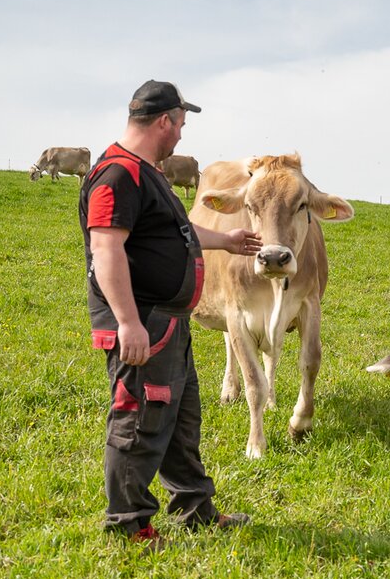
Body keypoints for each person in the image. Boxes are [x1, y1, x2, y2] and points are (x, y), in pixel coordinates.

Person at [79, 79, 261, 550]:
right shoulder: (117, 175)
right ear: (163, 121)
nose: (181, 134)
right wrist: (127, 322)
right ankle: (128, 524)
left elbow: (174, 232)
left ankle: (195, 508)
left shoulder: (148, 172)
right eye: (179, 124)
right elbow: (106, 248)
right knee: (139, 418)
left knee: (179, 418)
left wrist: (227, 240)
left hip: (168, 321)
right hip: (142, 321)